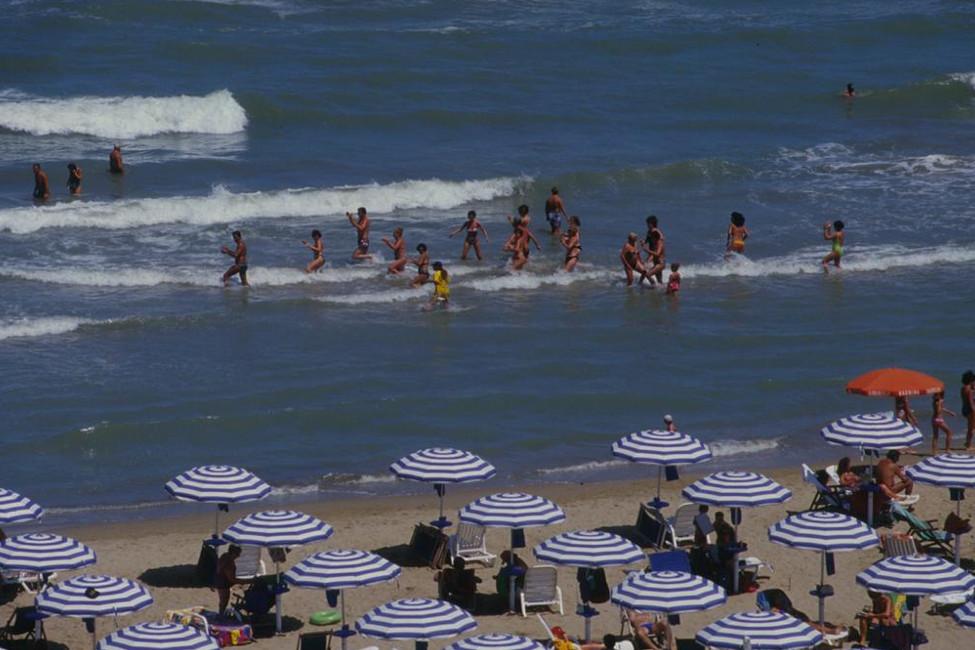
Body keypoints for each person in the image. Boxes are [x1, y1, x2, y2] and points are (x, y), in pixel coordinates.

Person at [214, 544, 244, 614]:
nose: (238, 556)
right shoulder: (229, 562)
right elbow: (232, 579)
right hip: (223, 584)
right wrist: (247, 581)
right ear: (233, 553)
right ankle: (221, 615)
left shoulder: (224, 556)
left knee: (223, 602)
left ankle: (221, 614)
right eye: (237, 554)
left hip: (220, 581)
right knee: (224, 601)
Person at [642, 216, 666, 284]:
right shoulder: (650, 232)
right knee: (660, 281)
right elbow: (647, 239)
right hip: (655, 261)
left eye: (648, 224)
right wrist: (644, 242)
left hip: (660, 263)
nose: (647, 225)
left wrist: (647, 250)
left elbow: (658, 253)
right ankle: (659, 289)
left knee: (647, 274)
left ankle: (653, 287)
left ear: (651, 224)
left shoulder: (658, 237)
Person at [962, 370, 975, 450]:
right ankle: (968, 445)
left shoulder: (963, 388)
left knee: (970, 427)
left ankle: (967, 443)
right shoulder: (969, 390)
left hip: (965, 409)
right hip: (971, 410)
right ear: (971, 381)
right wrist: (974, 411)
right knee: (972, 428)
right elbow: (971, 402)